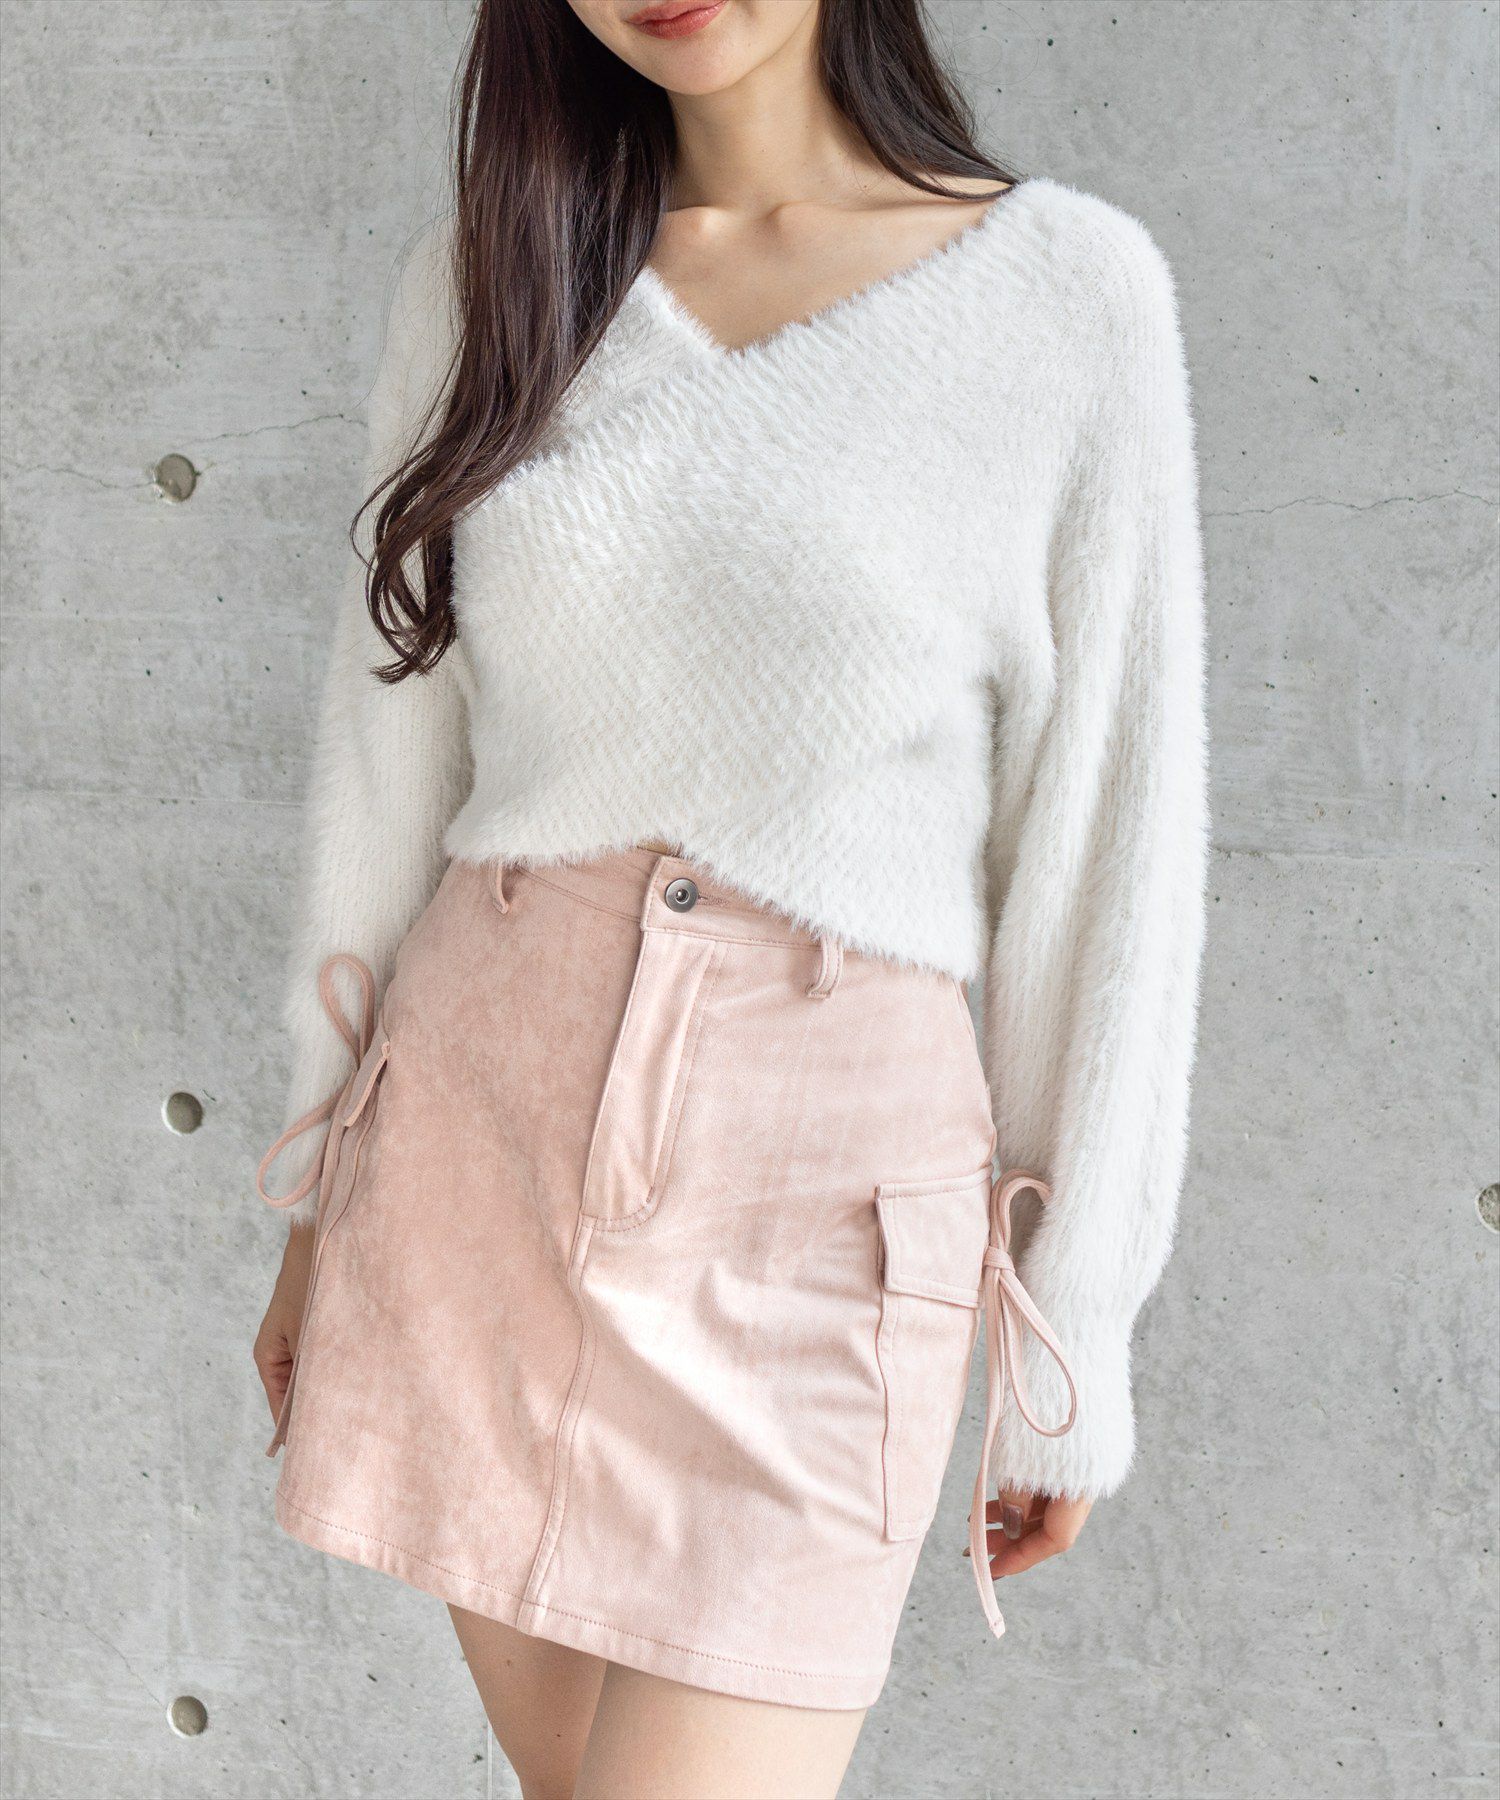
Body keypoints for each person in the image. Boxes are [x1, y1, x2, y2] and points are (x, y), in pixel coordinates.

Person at [252, 1, 1209, 1793]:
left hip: (825, 1218)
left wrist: (1074, 1328)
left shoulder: (1069, 297)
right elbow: (387, 763)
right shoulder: (489, 277)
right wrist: (315, 1201)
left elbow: (1110, 845)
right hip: (479, 1151)